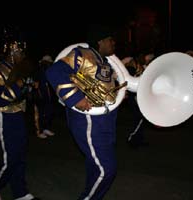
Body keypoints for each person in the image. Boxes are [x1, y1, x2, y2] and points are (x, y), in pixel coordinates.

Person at [46, 25, 118, 200]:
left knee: (96, 166)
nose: (113, 43)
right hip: (88, 120)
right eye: (110, 39)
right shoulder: (81, 54)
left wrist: (117, 95)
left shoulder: (106, 62)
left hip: (106, 119)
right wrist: (75, 98)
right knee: (106, 169)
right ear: (100, 41)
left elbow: (106, 87)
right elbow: (54, 71)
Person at [0, 39, 41, 200]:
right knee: (11, 157)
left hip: (17, 115)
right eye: (20, 52)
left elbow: (22, 94)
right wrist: (21, 83)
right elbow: (0, 99)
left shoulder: (16, 69)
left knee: (21, 154)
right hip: (3, 117)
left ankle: (20, 192)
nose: (23, 55)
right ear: (12, 52)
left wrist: (30, 86)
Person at [32, 54, 56, 139]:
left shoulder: (49, 70)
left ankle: (46, 128)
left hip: (48, 95)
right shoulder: (38, 71)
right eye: (47, 62)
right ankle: (39, 131)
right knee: (40, 114)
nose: (49, 64)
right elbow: (35, 85)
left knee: (48, 112)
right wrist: (39, 95)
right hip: (40, 96)